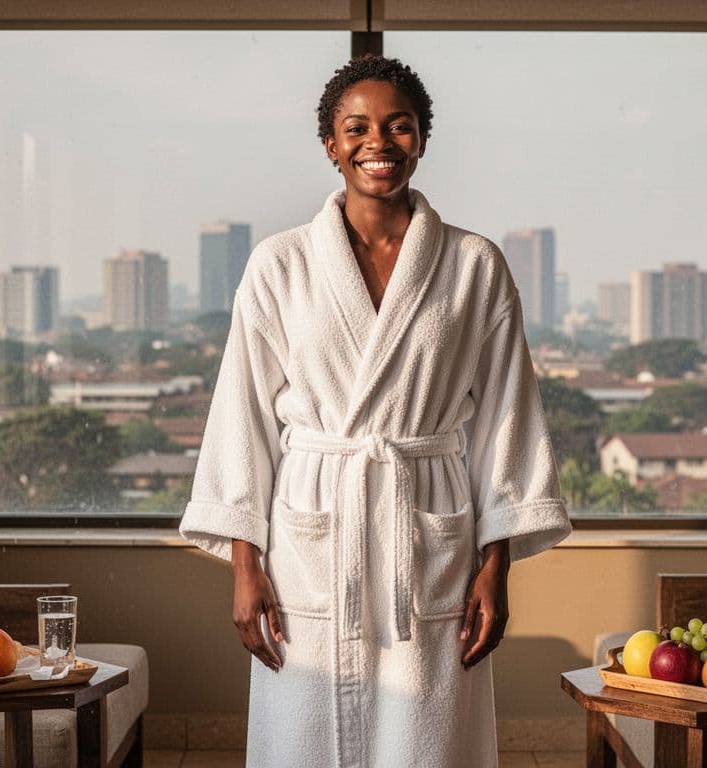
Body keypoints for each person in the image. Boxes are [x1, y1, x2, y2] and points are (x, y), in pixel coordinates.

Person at [179, 54, 571, 768]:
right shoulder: (280, 264)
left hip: (428, 531)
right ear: (330, 144)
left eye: (399, 125)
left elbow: (506, 419)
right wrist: (244, 566)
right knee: (304, 737)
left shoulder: (474, 265)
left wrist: (496, 567)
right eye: (356, 128)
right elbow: (244, 417)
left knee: (428, 739)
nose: (377, 143)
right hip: (312, 536)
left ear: (422, 138)